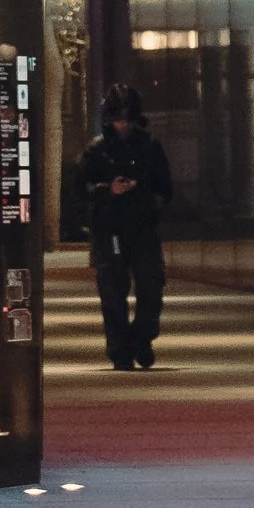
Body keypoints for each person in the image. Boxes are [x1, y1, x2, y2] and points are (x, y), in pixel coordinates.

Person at [80, 81, 172, 372]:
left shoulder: (149, 147)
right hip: (110, 228)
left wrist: (147, 197)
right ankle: (120, 349)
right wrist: (108, 190)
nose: (123, 125)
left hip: (142, 225)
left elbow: (164, 187)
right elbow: (80, 188)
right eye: (118, 119)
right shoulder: (97, 150)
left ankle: (141, 339)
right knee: (112, 292)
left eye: (127, 119)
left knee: (151, 287)